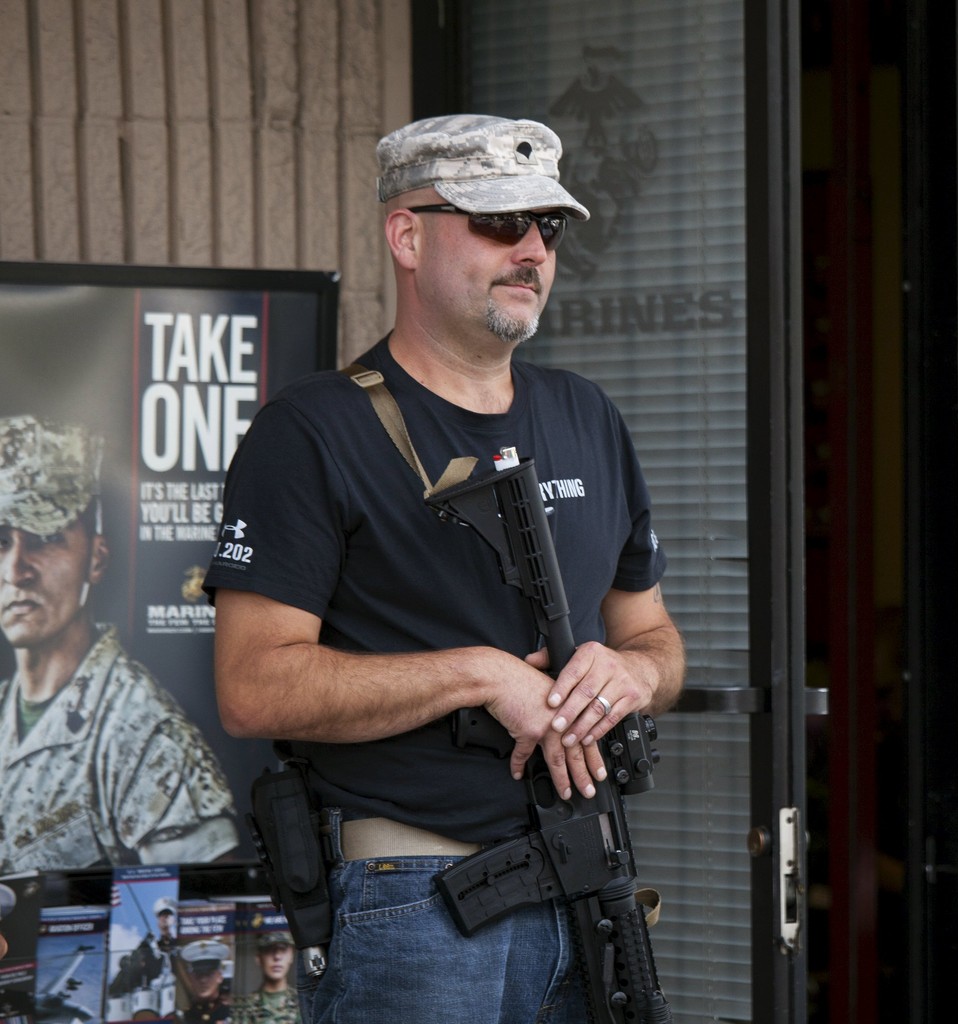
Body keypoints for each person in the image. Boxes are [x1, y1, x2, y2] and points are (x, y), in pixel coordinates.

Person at [205, 113, 685, 1024]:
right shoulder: (311, 432)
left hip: (587, 879)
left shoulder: (587, 414)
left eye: (549, 226)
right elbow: (252, 687)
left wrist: (630, 673)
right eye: (501, 223)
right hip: (413, 900)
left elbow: (653, 634)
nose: (533, 250)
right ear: (407, 235)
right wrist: (479, 675)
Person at [0, 414, 238, 871]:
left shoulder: (145, 734)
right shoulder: (6, 712)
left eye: (46, 538)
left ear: (96, 558)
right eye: (1, 541)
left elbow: (198, 916)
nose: (17, 570)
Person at [231, 930, 298, 1024]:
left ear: (292, 956)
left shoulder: (303, 1003)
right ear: (259, 957)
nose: (277, 956)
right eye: (270, 949)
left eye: (283, 949)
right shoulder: (244, 1006)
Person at [176, 939, 231, 1024]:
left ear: (219, 976)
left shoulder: (230, 1013)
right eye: (198, 974)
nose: (203, 979)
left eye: (209, 973)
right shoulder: (185, 1016)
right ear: (191, 978)